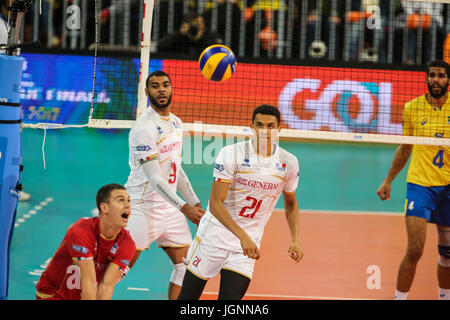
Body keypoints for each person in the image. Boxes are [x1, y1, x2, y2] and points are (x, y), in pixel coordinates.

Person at [178, 105, 303, 300]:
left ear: (279, 129)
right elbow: (216, 203)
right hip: (213, 238)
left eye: (271, 126)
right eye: (260, 125)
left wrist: (295, 239)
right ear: (251, 126)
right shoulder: (231, 154)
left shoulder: (289, 162)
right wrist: (243, 236)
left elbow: (291, 203)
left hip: (245, 249)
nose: (265, 131)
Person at [124, 70, 205, 300]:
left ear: (171, 89)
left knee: (186, 268)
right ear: (147, 91)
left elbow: (174, 169)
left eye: (166, 85)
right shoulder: (144, 127)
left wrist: (195, 202)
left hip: (168, 207)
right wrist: (185, 208)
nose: (161, 89)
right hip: (142, 206)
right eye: (156, 85)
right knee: (118, 269)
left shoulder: (176, 122)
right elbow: (154, 178)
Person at [377, 59, 450, 300]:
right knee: (415, 249)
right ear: (426, 78)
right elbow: (405, 147)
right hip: (420, 184)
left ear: (448, 80)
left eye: (440, 75)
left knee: (447, 253)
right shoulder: (412, 108)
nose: (435, 80)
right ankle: (399, 298)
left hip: (448, 186)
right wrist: (388, 180)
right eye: (432, 75)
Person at [35, 183, 136, 300]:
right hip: (55, 295)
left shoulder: (127, 244)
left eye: (129, 200)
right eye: (121, 200)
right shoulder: (81, 231)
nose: (128, 205)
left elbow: (106, 286)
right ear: (104, 208)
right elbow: (90, 280)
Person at [157, 11, 223, 55]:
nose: (199, 26)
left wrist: (200, 39)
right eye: (195, 24)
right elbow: (160, 46)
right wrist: (179, 34)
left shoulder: (211, 35)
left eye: (200, 23)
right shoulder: (181, 37)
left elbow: (220, 50)